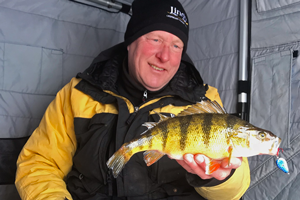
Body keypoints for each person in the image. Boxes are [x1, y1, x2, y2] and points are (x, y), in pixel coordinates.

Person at [15, 0, 250, 199]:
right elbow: (38, 163)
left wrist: (221, 178)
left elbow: (235, 189)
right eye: (155, 39)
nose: (164, 56)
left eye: (176, 45)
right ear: (131, 42)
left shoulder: (204, 100)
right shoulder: (78, 93)